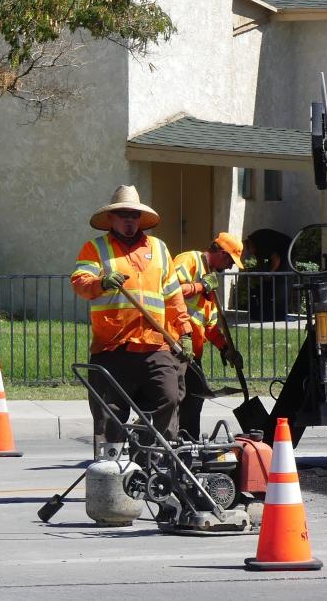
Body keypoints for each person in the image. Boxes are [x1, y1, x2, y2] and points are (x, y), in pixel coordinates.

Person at [71, 185, 193, 457]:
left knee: (169, 398)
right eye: (123, 214)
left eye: (134, 215)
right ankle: (109, 474)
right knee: (109, 415)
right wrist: (101, 282)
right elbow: (80, 283)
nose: (129, 220)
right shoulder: (95, 249)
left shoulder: (159, 250)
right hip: (112, 347)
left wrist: (184, 332)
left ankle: (150, 457)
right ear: (111, 218)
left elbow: (173, 298)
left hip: (154, 346)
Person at [170, 233, 246, 440]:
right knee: (172, 399)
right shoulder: (190, 260)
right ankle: (169, 442)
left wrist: (226, 349)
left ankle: (188, 443)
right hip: (173, 348)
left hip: (192, 355)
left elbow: (210, 326)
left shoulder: (210, 282)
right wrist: (201, 286)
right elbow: (170, 291)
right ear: (221, 253)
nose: (230, 267)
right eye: (230, 260)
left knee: (195, 398)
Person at [243, 227, 292, 321]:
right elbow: (260, 263)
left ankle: (281, 314)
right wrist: (261, 276)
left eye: (249, 252)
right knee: (268, 279)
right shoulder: (255, 247)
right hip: (276, 253)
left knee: (282, 280)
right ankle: (269, 311)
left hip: (288, 250)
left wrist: (270, 273)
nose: (251, 254)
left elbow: (276, 259)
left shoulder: (261, 243)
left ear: (250, 245)